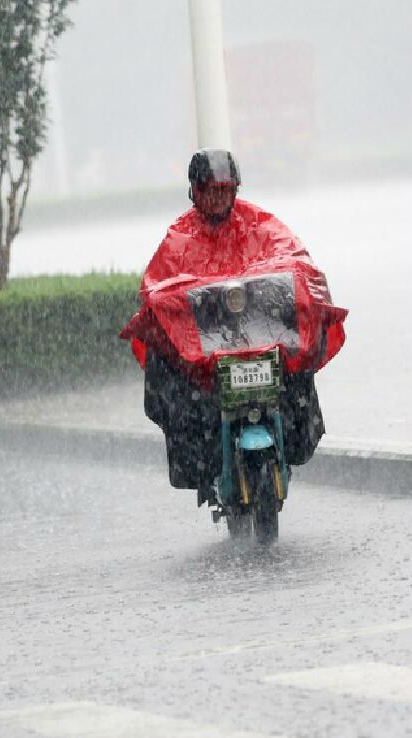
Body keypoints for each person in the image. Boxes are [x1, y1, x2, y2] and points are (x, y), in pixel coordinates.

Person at [125, 149, 346, 501]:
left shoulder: (259, 222)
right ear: (195, 192)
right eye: (211, 190)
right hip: (208, 353)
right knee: (175, 384)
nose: (218, 198)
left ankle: (295, 442)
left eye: (225, 191)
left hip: (261, 339)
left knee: (298, 376)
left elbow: (290, 254)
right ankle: (201, 468)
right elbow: (157, 285)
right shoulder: (180, 237)